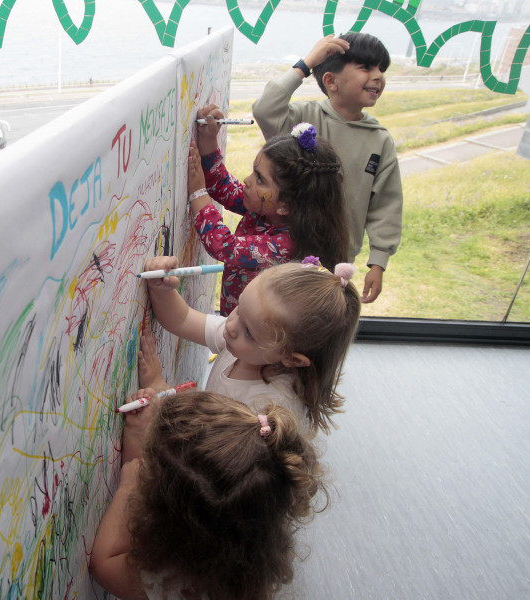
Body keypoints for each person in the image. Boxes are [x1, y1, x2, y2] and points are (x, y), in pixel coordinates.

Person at [89, 391, 327, 600]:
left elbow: (104, 563)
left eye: (150, 473)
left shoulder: (174, 581)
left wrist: (127, 487)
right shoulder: (244, 556)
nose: (144, 475)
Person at [252, 32, 403, 304]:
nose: (378, 76)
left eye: (382, 68)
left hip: (337, 257)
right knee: (274, 315)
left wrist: (378, 261)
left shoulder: (379, 140)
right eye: (366, 67)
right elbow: (265, 109)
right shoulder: (303, 119)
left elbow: (386, 204)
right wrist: (306, 63)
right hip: (287, 247)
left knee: (316, 322)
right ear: (330, 81)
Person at [139, 256, 361, 435]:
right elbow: (183, 319)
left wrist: (158, 388)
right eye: (238, 307)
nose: (232, 325)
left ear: (291, 358)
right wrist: (162, 290)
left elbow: (198, 446)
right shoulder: (247, 341)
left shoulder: (265, 410)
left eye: (249, 332)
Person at [188, 116, 350, 316]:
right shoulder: (265, 209)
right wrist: (208, 139)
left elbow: (224, 247)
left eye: (260, 179)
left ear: (285, 205)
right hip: (238, 326)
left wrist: (197, 194)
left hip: (253, 337)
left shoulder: (284, 247)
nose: (247, 181)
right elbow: (223, 187)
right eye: (254, 173)